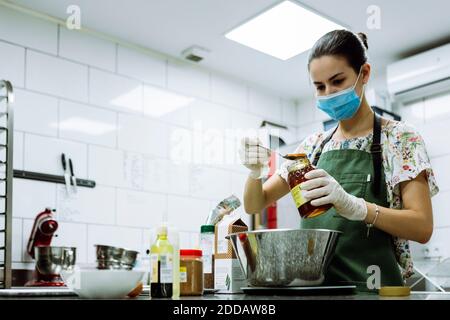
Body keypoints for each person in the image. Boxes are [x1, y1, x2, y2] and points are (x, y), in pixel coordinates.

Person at [239, 30, 439, 290]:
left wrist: (358, 208)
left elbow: (422, 227)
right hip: (316, 291)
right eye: (319, 86)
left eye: (337, 81)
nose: (328, 92)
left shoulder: (400, 139)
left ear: (364, 74)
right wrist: (255, 172)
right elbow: (256, 204)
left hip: (376, 291)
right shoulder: (312, 147)